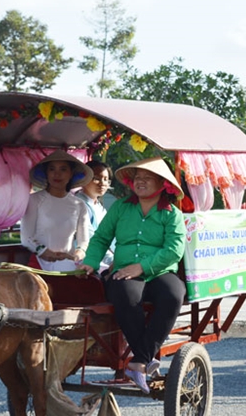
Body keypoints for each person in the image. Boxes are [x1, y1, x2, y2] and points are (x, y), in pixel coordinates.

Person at [79, 157, 186, 394]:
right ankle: (145, 360)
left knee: (174, 294)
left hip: (158, 271)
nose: (140, 182)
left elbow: (174, 251)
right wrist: (90, 262)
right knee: (125, 294)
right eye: (137, 178)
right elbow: (101, 238)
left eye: (147, 178)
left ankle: (139, 360)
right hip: (124, 270)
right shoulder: (121, 207)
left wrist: (142, 267)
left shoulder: (171, 214)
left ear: (161, 183)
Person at [21, 150, 93, 272]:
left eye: (63, 169)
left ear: (71, 174)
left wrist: (78, 254)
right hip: (39, 265)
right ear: (46, 173)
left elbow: (84, 241)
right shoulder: (34, 200)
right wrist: (44, 252)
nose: (57, 174)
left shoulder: (79, 204)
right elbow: (26, 237)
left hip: (69, 266)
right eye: (52, 169)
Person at [77, 159, 114, 273]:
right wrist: (112, 260)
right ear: (84, 179)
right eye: (96, 179)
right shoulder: (78, 204)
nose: (103, 183)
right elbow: (92, 240)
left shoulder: (98, 206)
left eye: (106, 179)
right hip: (85, 260)